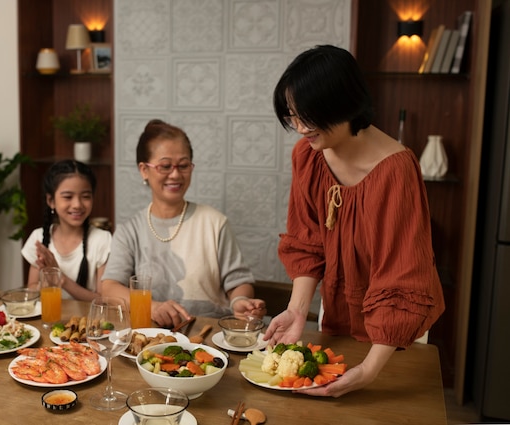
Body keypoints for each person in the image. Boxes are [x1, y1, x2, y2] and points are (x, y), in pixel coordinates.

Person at [263, 45, 445, 397]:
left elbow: (404, 276)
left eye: (308, 117)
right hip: (337, 316)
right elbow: (307, 240)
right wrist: (297, 310)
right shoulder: (309, 156)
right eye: (293, 117)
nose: (300, 129)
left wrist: (369, 371)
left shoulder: (396, 170)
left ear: (344, 104)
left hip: (396, 334)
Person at [100, 119, 266, 328]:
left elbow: (238, 281)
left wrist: (240, 301)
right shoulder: (129, 231)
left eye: (184, 165)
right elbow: (109, 288)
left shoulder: (215, 223)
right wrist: (152, 307)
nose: (176, 174)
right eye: (165, 166)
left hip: (206, 338)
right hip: (148, 339)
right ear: (144, 170)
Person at [22, 160, 111, 301]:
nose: (77, 204)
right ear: (51, 200)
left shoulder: (102, 240)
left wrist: (60, 278)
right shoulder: (38, 238)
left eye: (86, 196)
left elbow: (104, 300)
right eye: (68, 197)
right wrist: (44, 284)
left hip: (89, 321)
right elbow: (31, 289)